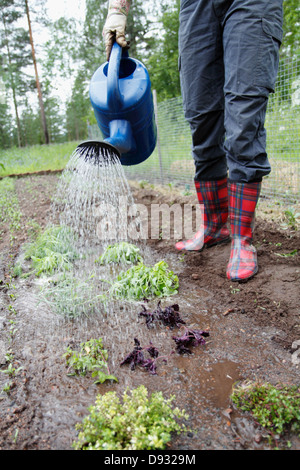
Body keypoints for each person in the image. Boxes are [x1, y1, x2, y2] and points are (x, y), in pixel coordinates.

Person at [103, 0, 284, 282]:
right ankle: (214, 226)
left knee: (243, 117)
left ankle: (241, 240)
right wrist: (117, 10)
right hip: (197, 6)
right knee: (201, 116)